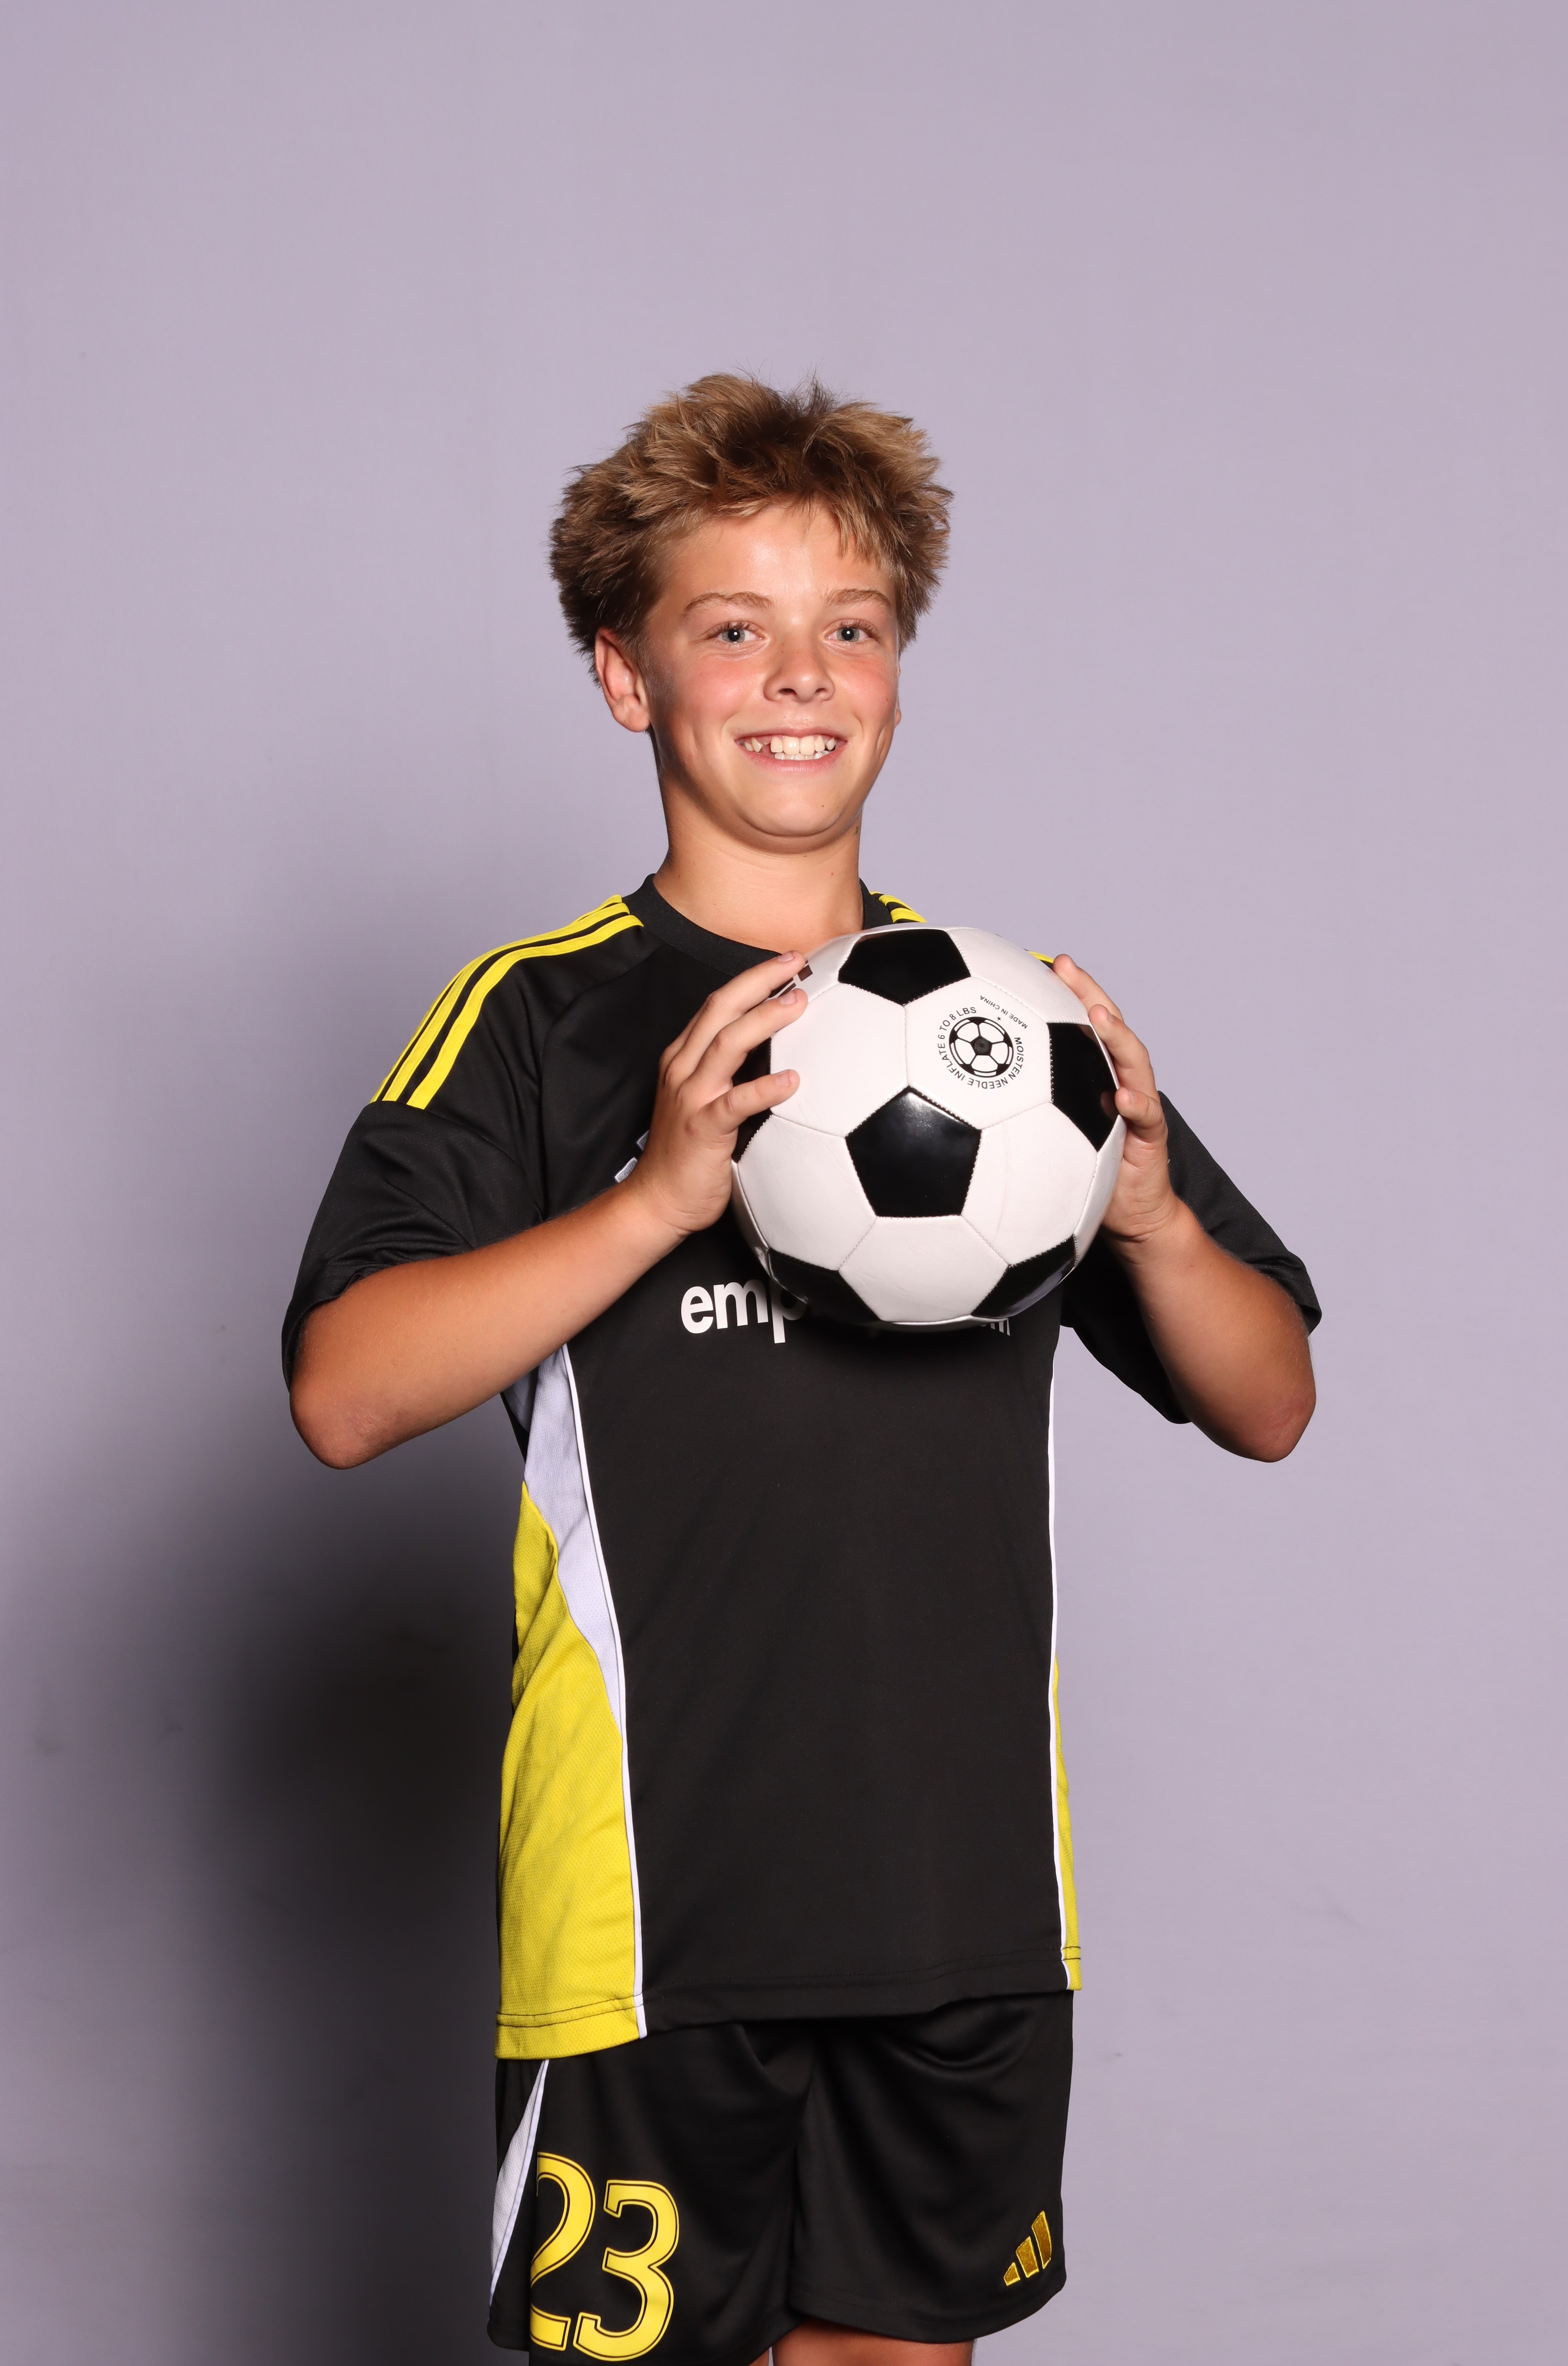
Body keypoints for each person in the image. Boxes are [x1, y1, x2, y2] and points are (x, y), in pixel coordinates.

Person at [284, 374, 1319, 2365]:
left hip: (961, 1895)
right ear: (626, 677)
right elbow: (344, 1393)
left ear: (899, 673)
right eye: (730, 626)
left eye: (849, 625)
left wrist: (1148, 1210)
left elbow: (1267, 1401)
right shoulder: (538, 1024)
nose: (798, 675)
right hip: (653, 1906)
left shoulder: (1011, 1033)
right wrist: (656, 1201)